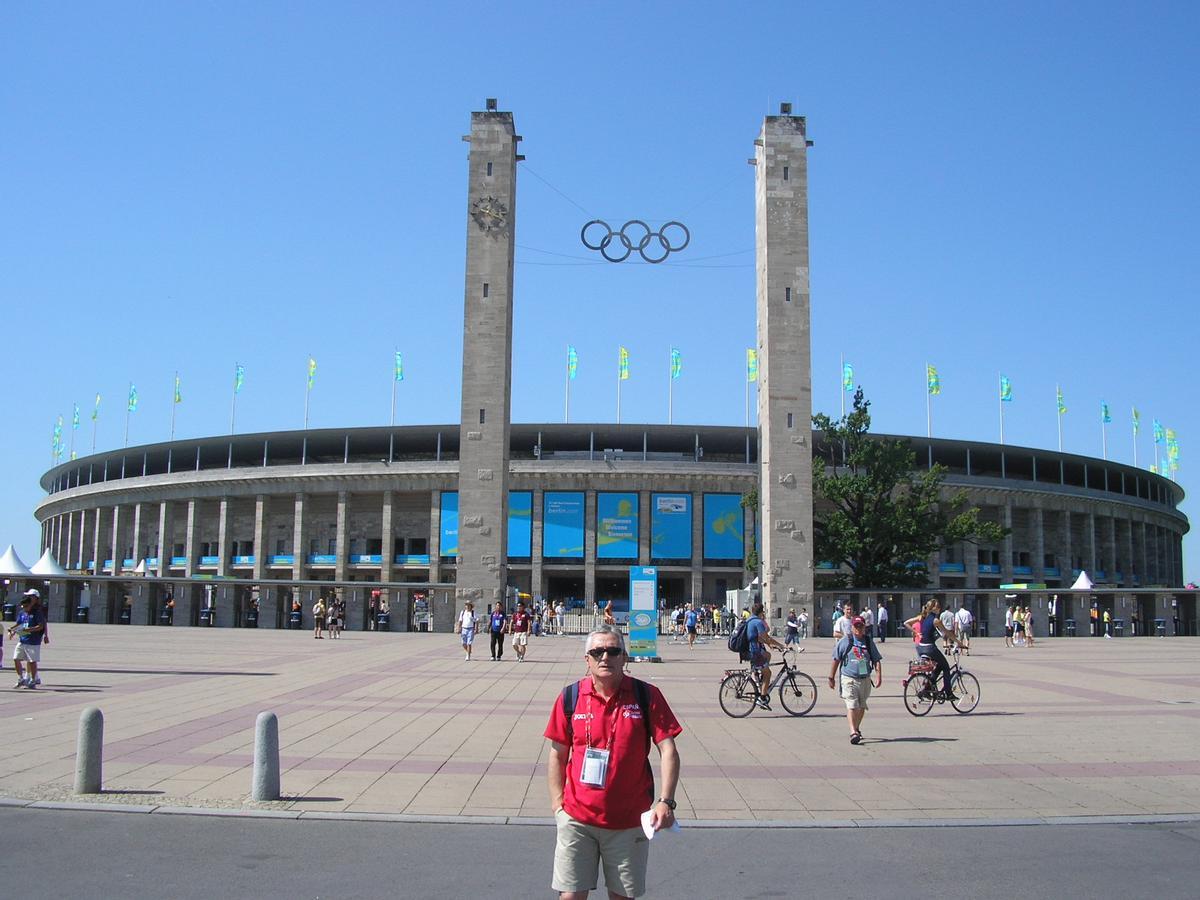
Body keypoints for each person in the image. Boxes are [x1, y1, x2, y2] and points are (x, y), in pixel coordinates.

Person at [544, 626, 682, 900]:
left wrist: (666, 801)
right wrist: (558, 805)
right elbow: (557, 755)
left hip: (628, 821)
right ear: (587, 660)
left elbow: (668, 750)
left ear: (624, 657)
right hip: (577, 819)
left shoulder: (646, 696)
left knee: (621, 896)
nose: (605, 657)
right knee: (570, 896)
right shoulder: (570, 697)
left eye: (613, 650)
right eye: (597, 652)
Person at [828, 616, 882, 745]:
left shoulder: (868, 642)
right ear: (852, 627)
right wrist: (831, 677)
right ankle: (853, 732)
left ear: (864, 627)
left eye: (861, 626)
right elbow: (836, 659)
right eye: (856, 626)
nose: (858, 629)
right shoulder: (845, 641)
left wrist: (879, 676)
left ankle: (857, 728)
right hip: (848, 678)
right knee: (852, 705)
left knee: (861, 706)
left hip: (864, 678)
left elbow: (876, 660)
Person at [905, 599, 957, 699]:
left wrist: (915, 633)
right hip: (930, 648)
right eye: (938, 607)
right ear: (933, 608)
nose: (939, 608)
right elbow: (947, 633)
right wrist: (959, 642)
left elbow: (906, 623)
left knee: (938, 666)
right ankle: (948, 693)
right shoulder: (935, 620)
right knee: (946, 667)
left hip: (920, 647)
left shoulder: (922, 617)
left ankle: (927, 688)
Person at [746, 603, 787, 710]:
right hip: (756, 651)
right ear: (761, 612)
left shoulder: (750, 620)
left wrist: (771, 645)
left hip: (752, 649)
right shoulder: (758, 622)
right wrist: (780, 645)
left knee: (768, 655)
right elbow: (766, 637)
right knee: (768, 673)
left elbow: (759, 637)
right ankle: (762, 699)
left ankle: (759, 676)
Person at [9, 591, 47, 689]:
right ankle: (21, 678)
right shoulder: (22, 613)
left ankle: (33, 679)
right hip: (22, 640)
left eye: (26, 606)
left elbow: (41, 626)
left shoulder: (37, 613)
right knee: (16, 658)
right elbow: (19, 623)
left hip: (33, 641)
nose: (24, 608)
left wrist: (30, 630)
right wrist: (12, 630)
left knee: (32, 661)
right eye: (22, 606)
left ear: (30, 604)